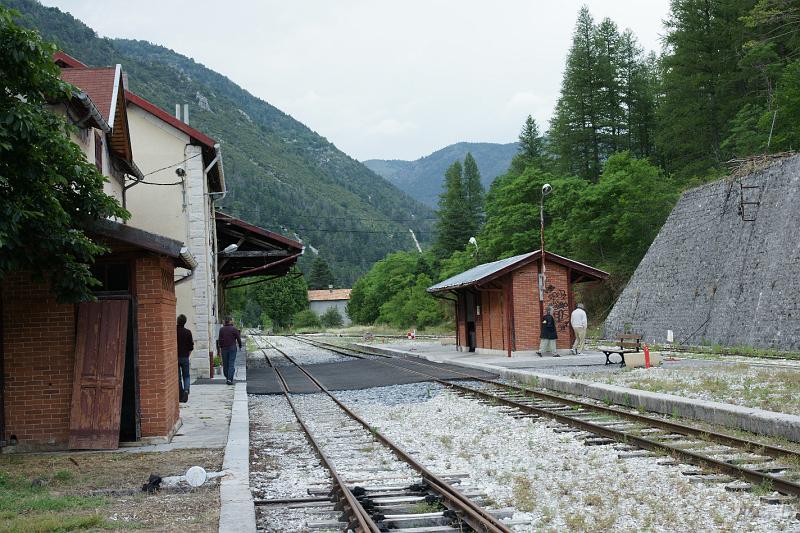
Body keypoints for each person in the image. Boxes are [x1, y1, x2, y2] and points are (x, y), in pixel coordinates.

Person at [217, 316, 242, 385]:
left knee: (225, 364)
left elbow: (219, 340)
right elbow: (238, 338)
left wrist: (220, 348)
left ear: (225, 321)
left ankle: (228, 377)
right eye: (232, 320)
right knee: (231, 364)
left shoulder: (221, 329)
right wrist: (240, 346)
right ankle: (229, 379)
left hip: (224, 349)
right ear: (230, 321)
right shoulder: (234, 329)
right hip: (232, 348)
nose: (233, 321)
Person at [176, 314, 193, 403]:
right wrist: (187, 355)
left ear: (178, 321)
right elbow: (191, 347)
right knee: (186, 376)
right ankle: (186, 390)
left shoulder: (174, 331)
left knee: (178, 377)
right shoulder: (188, 332)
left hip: (175, 357)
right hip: (185, 356)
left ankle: (181, 394)